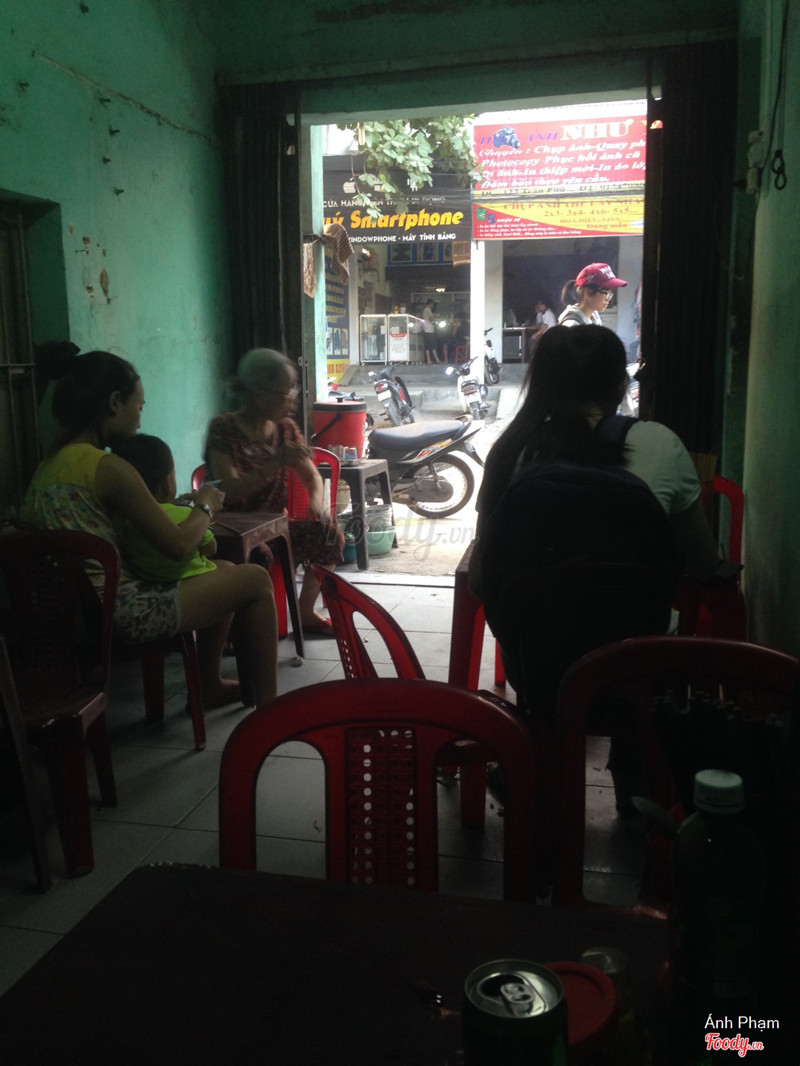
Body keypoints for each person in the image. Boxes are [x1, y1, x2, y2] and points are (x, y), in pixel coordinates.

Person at [24, 349, 278, 709]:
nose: (140, 419)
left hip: (71, 618)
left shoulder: (48, 465)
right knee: (255, 580)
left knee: (221, 570)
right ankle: (271, 711)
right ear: (115, 402)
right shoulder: (107, 467)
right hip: (123, 615)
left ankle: (208, 683)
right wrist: (206, 504)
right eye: (139, 407)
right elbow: (178, 545)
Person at [204, 348, 344, 636]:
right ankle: (233, 629)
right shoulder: (223, 429)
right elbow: (229, 492)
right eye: (287, 390)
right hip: (232, 533)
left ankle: (305, 612)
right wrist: (276, 463)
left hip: (273, 528)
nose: (293, 396)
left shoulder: (286, 429)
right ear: (258, 395)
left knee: (328, 535)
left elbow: (312, 477)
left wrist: (317, 506)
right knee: (260, 555)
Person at [558, 263, 627, 327]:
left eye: (610, 293)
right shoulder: (572, 325)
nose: (608, 299)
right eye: (606, 293)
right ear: (587, 292)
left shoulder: (593, 316)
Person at [421, 299, 440, 364]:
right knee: (433, 345)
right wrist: (435, 317)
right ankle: (437, 359)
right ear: (431, 304)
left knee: (427, 346)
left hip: (426, 329)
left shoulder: (424, 310)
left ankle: (429, 360)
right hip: (429, 330)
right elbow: (431, 319)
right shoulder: (428, 310)